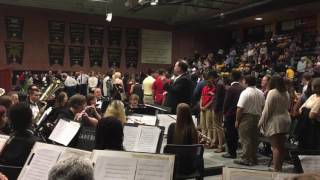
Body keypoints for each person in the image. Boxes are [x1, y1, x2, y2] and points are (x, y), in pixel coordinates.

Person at [258, 75, 291, 171]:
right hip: (286, 119)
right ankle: (279, 167)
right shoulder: (286, 92)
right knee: (281, 146)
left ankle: (276, 169)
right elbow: (288, 106)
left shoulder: (272, 92)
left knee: (275, 147)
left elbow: (267, 110)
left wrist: (260, 124)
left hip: (276, 120)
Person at [234, 75, 265, 166]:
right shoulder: (260, 92)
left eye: (243, 81)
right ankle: (253, 158)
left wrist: (237, 120)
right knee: (254, 139)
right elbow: (263, 106)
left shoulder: (245, 92)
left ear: (246, 82)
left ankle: (245, 159)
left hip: (247, 117)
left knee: (245, 138)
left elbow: (240, 108)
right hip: (257, 117)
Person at [222, 70, 244, 159]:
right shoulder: (242, 88)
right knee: (235, 134)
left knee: (230, 135)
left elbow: (226, 103)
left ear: (232, 77)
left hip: (230, 114)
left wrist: (224, 113)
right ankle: (234, 152)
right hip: (239, 113)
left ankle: (231, 153)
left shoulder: (231, 89)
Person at [298, 78, 320, 150]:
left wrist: (306, 109)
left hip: (315, 128)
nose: (312, 88)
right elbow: (300, 109)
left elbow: (312, 115)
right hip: (306, 126)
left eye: (314, 86)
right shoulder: (312, 96)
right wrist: (308, 110)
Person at [199, 71, 216, 147]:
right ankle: (203, 138)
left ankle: (209, 139)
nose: (207, 83)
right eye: (206, 81)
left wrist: (205, 107)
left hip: (209, 108)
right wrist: (200, 106)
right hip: (202, 108)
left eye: (208, 81)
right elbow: (201, 97)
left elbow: (212, 100)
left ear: (211, 80)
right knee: (203, 124)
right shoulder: (204, 88)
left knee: (209, 125)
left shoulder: (214, 88)